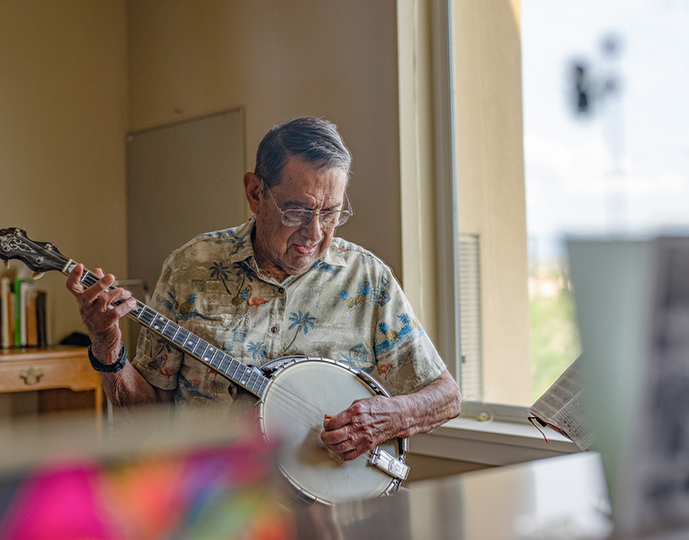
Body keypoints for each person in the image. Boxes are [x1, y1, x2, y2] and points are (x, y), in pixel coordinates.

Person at [66, 117, 461, 462]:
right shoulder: (190, 268)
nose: (315, 232)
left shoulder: (368, 280)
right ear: (255, 192)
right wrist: (106, 346)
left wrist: (389, 417)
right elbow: (147, 418)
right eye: (297, 211)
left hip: (330, 513)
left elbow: (445, 396)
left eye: (331, 213)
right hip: (216, 507)